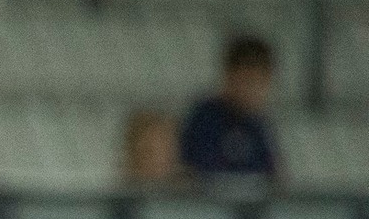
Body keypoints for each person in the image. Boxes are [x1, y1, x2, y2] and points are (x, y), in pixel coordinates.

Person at [177, 34, 280, 181]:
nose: (254, 91)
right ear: (229, 76)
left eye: (261, 83)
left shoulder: (258, 128)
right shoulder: (203, 120)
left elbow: (273, 179)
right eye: (249, 81)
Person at [120, 108, 183, 188]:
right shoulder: (122, 194)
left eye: (166, 149)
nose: (161, 159)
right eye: (150, 151)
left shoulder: (187, 190)